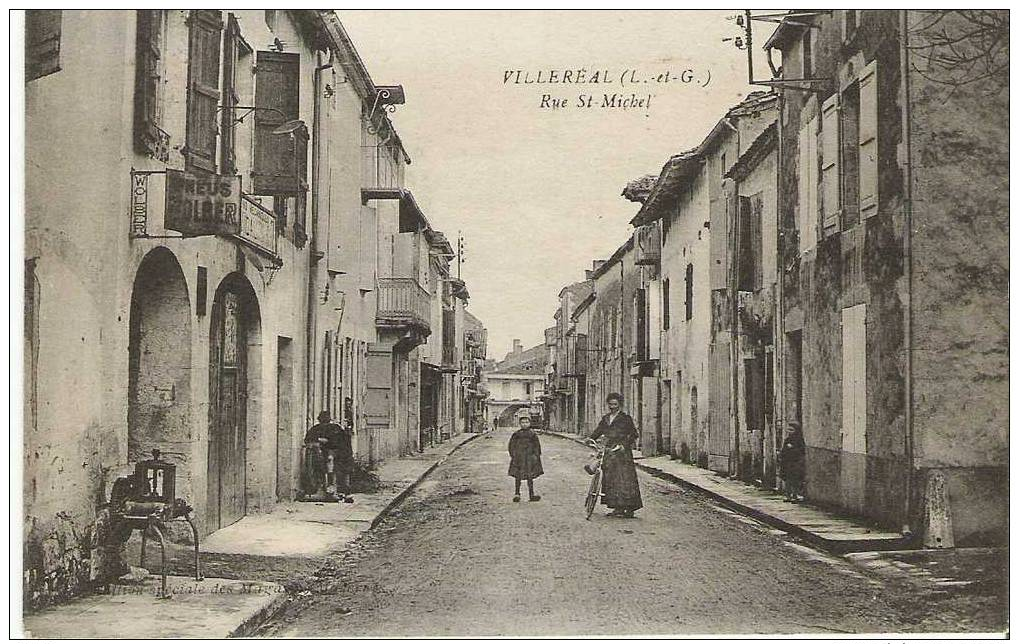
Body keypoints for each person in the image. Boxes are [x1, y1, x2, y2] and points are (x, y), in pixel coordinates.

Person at [589, 393, 643, 518]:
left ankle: (629, 508)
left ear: (620, 404)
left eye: (615, 404)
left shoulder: (625, 419)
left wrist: (625, 445)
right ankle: (616, 507)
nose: (612, 407)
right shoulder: (606, 419)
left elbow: (634, 434)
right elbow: (598, 430)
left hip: (622, 453)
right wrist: (590, 438)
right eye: (610, 404)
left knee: (625, 479)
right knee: (610, 478)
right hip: (609, 451)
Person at [303, 410, 354, 501]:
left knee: (332, 461)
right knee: (324, 462)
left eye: (325, 420)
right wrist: (319, 441)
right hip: (321, 455)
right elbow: (308, 440)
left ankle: (336, 488)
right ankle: (325, 487)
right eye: (323, 420)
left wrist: (328, 443)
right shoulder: (316, 429)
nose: (324, 423)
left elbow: (341, 443)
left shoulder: (335, 428)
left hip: (336, 454)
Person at [507, 414, 543, 502]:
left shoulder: (533, 434)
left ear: (530, 423)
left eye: (526, 422)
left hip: (529, 459)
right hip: (519, 459)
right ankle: (517, 494)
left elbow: (537, 447)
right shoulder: (516, 434)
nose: (524, 424)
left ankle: (531, 495)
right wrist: (514, 455)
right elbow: (511, 446)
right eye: (522, 422)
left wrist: (535, 457)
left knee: (530, 477)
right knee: (517, 476)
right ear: (520, 424)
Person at [779, 421, 806, 502]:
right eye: (789, 430)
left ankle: (795, 495)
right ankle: (788, 495)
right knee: (788, 480)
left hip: (796, 462)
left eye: (792, 430)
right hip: (787, 463)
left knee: (796, 480)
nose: (790, 432)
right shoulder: (787, 440)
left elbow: (802, 451)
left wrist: (793, 448)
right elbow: (783, 451)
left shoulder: (799, 440)